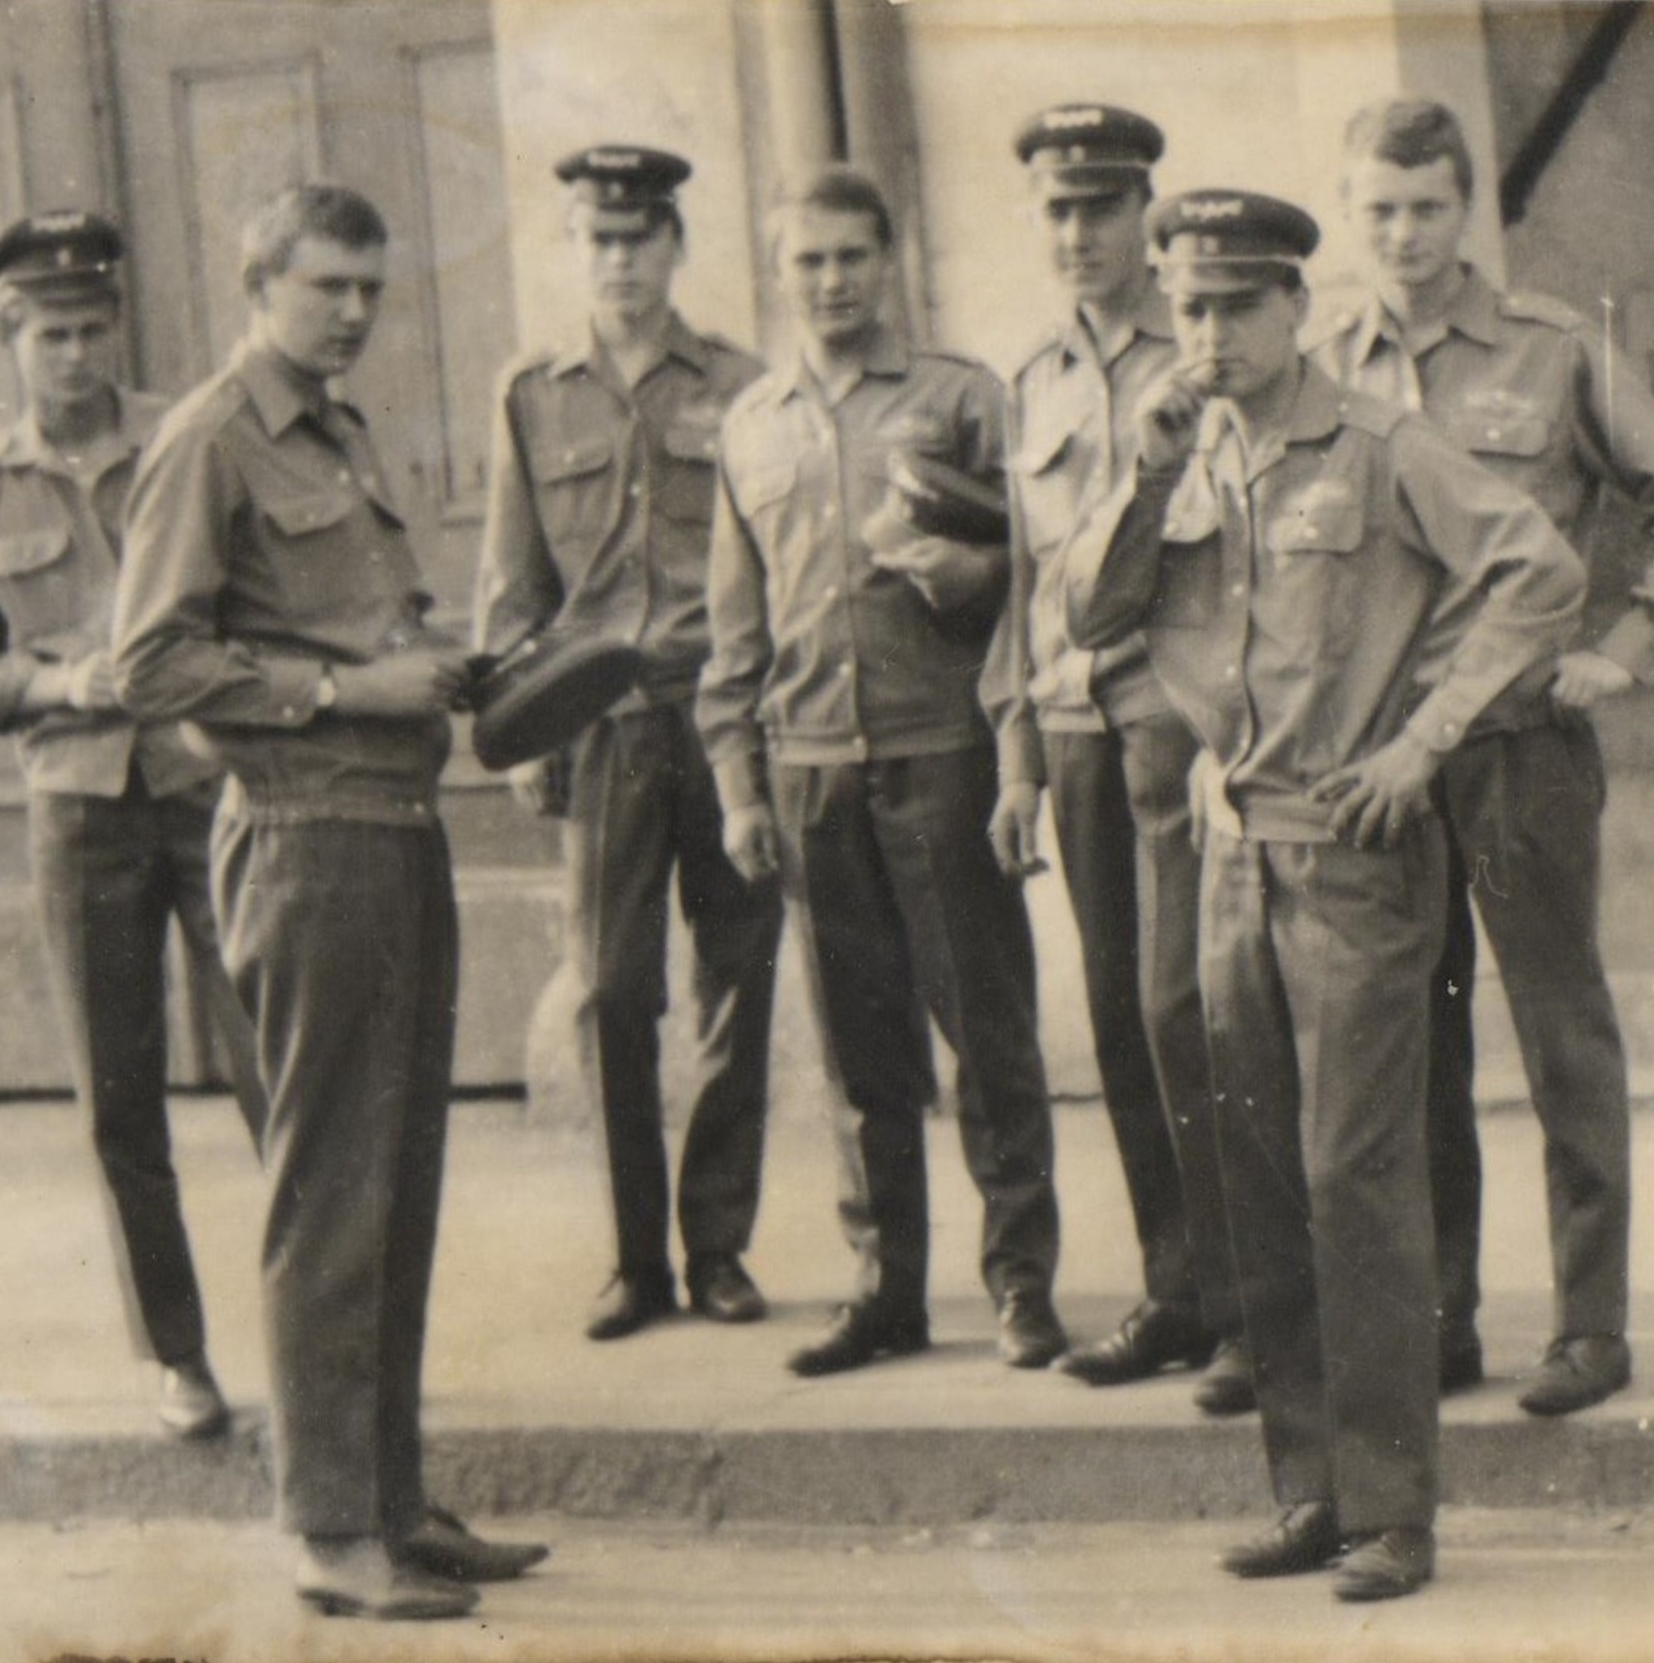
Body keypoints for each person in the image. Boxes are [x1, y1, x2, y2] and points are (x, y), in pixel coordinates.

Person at [1064, 188, 1583, 1601]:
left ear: (1298, 306)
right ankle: (1312, 1488)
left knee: (1358, 1177)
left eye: (1239, 305)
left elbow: (1539, 570)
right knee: (1259, 1175)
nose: (1210, 334)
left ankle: (1394, 1508)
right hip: (1233, 851)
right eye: (1189, 307)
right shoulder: (1185, 457)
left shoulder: (1382, 443)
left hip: (1354, 856)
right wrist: (1143, 471)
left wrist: (1428, 738)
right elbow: (1090, 614)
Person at [112, 182, 546, 1623]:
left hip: (394, 831)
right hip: (305, 841)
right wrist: (351, 690)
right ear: (259, 288)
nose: (356, 311)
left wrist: (438, 660)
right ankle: (328, 1529)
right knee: (330, 1193)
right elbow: (149, 664)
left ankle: (392, 1503)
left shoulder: (340, 431)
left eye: (370, 287)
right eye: (327, 288)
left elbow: (355, 622)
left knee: (396, 1188)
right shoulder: (208, 440)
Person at [1311, 98, 1654, 1415]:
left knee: (1561, 1034)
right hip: (1386, 760)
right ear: (1349, 212)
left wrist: (1633, 641)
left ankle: (1591, 1326)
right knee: (1412, 1046)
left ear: (1468, 212)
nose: (1403, 235)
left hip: (1518, 747)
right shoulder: (1319, 365)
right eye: (1379, 210)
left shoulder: (1550, 352)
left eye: (1428, 208)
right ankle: (1442, 1318)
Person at [699, 165, 1069, 1378]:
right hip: (811, 768)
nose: (832, 281)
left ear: (889, 259)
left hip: (941, 755)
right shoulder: (752, 425)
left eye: (852, 256)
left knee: (988, 1034)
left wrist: (980, 591)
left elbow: (1032, 579)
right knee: (860, 1055)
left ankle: (1021, 1284)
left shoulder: (962, 398)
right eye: (808, 261)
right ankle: (886, 1288)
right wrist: (738, 784)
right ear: (779, 275)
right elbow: (735, 630)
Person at [0, 209, 267, 1445]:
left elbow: (252, 589)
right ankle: (177, 1355)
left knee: (273, 1059)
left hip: (206, 782)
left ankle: (329, 1330)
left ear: (116, 327)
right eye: (48, 335)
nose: (73, 355)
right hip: (78, 808)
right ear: (8, 339)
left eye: (89, 329)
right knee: (118, 1099)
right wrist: (60, 683)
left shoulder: (185, 439)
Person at [476, 145, 783, 1343]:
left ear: (675, 245)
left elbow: (771, 560)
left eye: (640, 236)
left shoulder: (742, 384)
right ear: (574, 246)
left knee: (736, 981)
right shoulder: (532, 392)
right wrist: (519, 726)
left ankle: (718, 1245)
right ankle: (635, 1257)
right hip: (601, 723)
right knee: (610, 988)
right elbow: (511, 580)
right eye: (598, 238)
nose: (619, 261)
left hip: (720, 713)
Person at [980, 104, 1249, 1410]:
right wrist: (1017, 758)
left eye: (1101, 205)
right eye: (1057, 209)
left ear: (1147, 211)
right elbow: (1026, 581)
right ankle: (1179, 1289)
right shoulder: (1031, 374)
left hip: (1179, 719)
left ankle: (1254, 1302)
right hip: (1075, 724)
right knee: (1120, 1021)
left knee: (1191, 1009)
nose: (1078, 232)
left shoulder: (1196, 351)